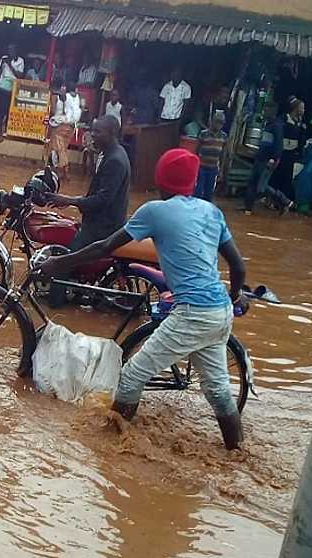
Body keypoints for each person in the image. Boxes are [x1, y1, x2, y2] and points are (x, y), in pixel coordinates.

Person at [38, 148, 248, 450]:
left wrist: (59, 263)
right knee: (217, 391)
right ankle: (236, 453)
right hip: (220, 312)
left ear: (162, 179)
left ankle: (115, 450)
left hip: (192, 313)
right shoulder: (211, 212)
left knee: (131, 376)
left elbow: (106, 246)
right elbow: (238, 267)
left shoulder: (154, 211)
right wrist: (234, 296)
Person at [45, 115, 131, 307]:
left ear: (111, 133)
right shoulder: (114, 153)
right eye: (92, 130)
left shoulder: (115, 161)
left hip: (103, 226)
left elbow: (103, 200)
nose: (92, 135)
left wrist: (70, 200)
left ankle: (54, 309)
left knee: (62, 262)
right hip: (105, 220)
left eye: (97, 131)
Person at [243, 100, 295, 215]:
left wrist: (274, 158)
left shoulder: (277, 126)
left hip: (267, 160)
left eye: (266, 110)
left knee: (262, 186)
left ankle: (284, 200)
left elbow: (278, 144)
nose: (264, 112)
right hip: (260, 157)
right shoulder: (267, 124)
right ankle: (248, 208)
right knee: (252, 182)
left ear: (273, 111)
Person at [46, 77, 82, 181]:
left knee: (58, 149)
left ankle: (63, 171)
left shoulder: (56, 96)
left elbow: (53, 111)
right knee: (62, 149)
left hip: (60, 125)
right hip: (71, 127)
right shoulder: (74, 97)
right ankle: (62, 171)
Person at [195, 110, 228, 202]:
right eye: (217, 121)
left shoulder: (224, 136)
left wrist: (221, 170)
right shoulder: (203, 134)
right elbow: (196, 151)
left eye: (221, 123)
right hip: (201, 167)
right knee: (198, 191)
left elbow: (223, 155)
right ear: (212, 121)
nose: (218, 125)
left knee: (209, 193)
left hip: (213, 168)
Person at [0, 45, 24, 136]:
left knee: (8, 110)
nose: (10, 52)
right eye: (9, 50)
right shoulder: (4, 58)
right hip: (1, 85)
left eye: (12, 50)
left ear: (16, 51)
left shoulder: (20, 61)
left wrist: (10, 65)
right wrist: (2, 64)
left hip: (13, 87)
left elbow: (20, 76)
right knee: (0, 110)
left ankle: (6, 131)